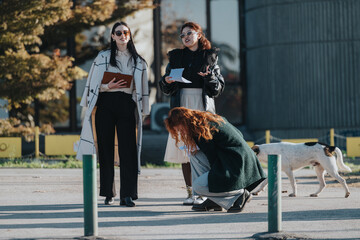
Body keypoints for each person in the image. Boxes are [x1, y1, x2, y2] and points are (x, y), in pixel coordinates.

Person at [76, 22, 149, 207]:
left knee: (128, 150)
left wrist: (142, 109)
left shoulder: (138, 61)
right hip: (106, 104)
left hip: (126, 104)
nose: (123, 35)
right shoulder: (102, 57)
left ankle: (128, 195)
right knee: (105, 149)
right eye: (119, 33)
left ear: (129, 36)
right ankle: (108, 193)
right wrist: (108, 86)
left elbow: (142, 88)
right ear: (113, 36)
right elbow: (93, 84)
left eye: (126, 32)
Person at [159, 22, 225, 205]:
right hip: (182, 107)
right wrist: (167, 80)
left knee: (204, 148)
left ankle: (203, 191)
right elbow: (165, 87)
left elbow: (218, 89)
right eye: (183, 35)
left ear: (199, 35)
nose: (186, 37)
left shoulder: (209, 57)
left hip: (202, 108)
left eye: (190, 33)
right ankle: (191, 193)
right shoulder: (176, 57)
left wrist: (210, 77)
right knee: (185, 150)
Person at [164, 107, 266, 212]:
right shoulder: (209, 119)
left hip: (235, 164)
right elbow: (238, 134)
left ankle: (239, 194)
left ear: (184, 122)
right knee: (195, 156)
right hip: (243, 160)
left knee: (198, 187)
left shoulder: (200, 131)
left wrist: (215, 182)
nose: (182, 133)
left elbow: (212, 158)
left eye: (181, 129)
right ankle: (214, 200)